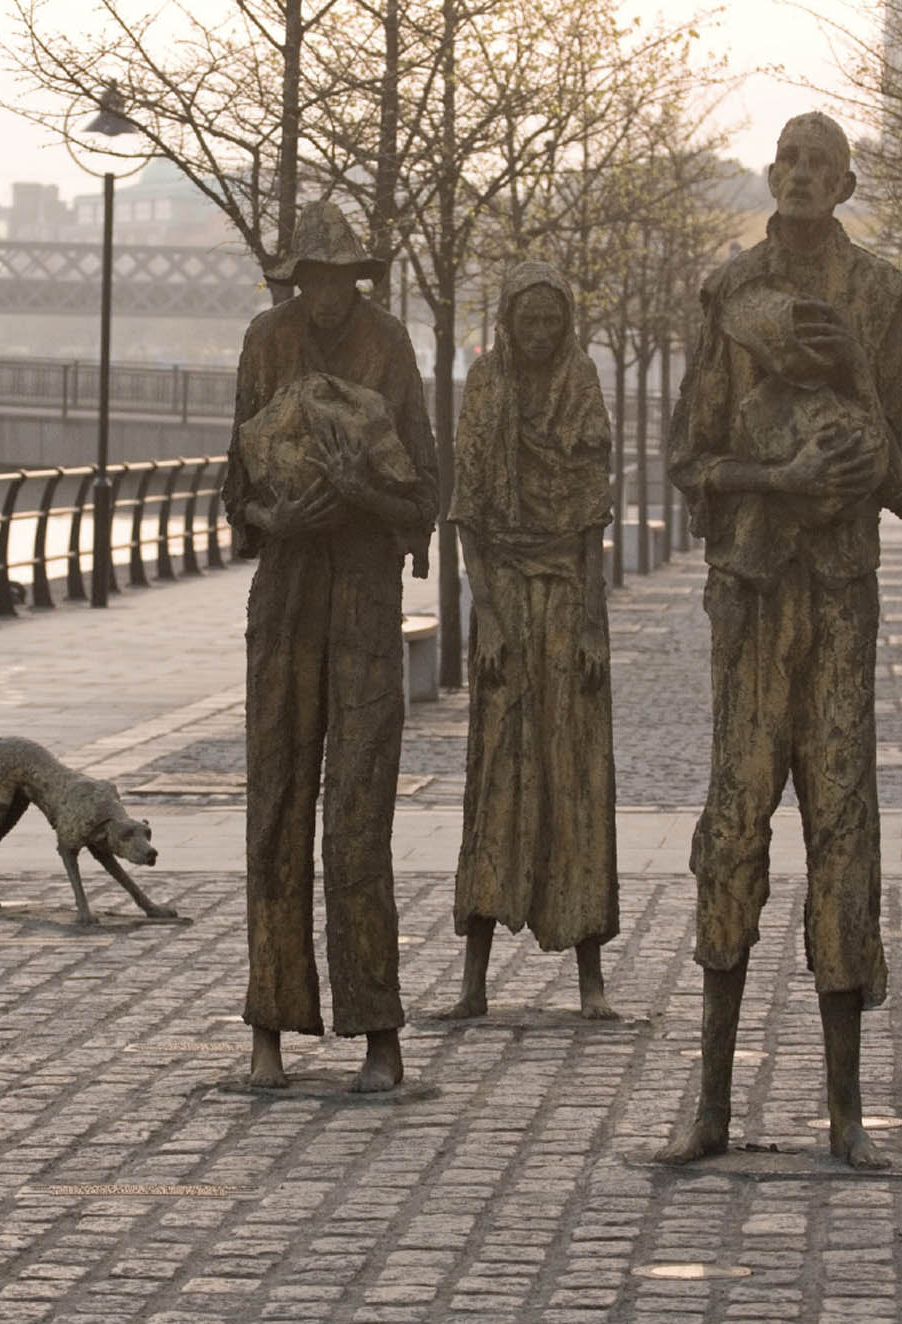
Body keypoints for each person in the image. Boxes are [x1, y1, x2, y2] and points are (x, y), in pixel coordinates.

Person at [659, 112, 902, 1171]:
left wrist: (855, 380)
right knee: (732, 824)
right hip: (753, 595)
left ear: (846, 183)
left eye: (823, 165)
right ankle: (711, 1106)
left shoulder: (879, 293)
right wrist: (780, 479)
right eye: (791, 163)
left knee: (844, 828)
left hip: (842, 596)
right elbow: (688, 459)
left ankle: (846, 1114)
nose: (804, 177)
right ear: (772, 175)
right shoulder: (728, 293)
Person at [222, 199, 439, 1092]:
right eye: (310, 278)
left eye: (337, 279)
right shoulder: (264, 341)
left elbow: (424, 494)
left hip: (363, 601)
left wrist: (361, 494)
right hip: (285, 601)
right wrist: (276, 517)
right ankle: (269, 1028)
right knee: (275, 809)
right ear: (294, 279)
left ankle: (379, 1032)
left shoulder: (389, 344)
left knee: (357, 817)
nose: (324, 294)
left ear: (356, 279)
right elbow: (235, 488)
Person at [441, 260, 619, 1021]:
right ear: (509, 321)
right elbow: (469, 515)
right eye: (528, 319)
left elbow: (590, 523)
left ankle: (591, 978)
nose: (540, 333)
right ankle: (474, 981)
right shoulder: (487, 386)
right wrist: (487, 615)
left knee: (576, 776)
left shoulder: (581, 382)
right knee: (497, 775)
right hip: (506, 601)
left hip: (567, 598)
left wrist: (591, 626)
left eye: (552, 320)